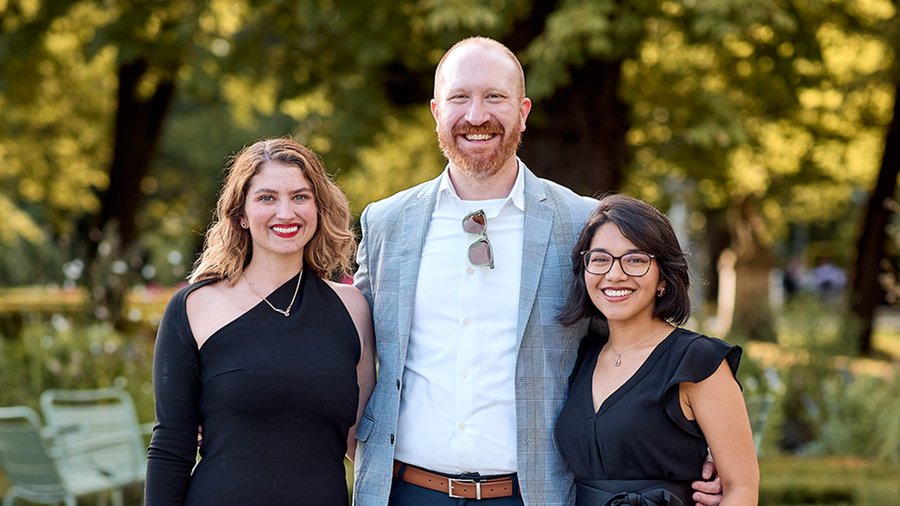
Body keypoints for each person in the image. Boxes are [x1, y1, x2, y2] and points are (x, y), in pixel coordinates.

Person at [351, 36, 723, 506]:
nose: (476, 115)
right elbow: (349, 346)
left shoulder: (582, 222)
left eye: (495, 97)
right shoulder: (386, 222)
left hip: (536, 493)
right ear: (435, 112)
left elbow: (638, 341)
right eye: (459, 98)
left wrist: (699, 438)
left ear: (523, 111)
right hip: (404, 492)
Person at [145, 138, 375, 505]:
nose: (286, 213)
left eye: (300, 197)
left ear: (318, 208)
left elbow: (364, 442)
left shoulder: (353, 308)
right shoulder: (194, 307)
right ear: (241, 214)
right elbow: (172, 446)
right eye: (267, 198)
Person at [555, 194, 759, 505]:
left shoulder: (698, 363)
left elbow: (740, 490)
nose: (614, 274)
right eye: (600, 259)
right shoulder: (582, 355)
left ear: (662, 276)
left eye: (635, 260)